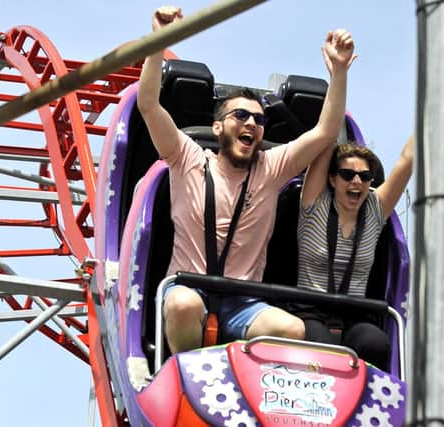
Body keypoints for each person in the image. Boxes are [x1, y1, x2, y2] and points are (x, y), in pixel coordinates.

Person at [137, 5, 357, 354]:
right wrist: (157, 41)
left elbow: (326, 132)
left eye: (259, 119)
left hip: (242, 303)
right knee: (182, 305)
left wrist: (339, 72)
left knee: (290, 327)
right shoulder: (188, 158)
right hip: (189, 290)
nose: (252, 123)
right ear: (218, 126)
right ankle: (183, 376)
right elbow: (148, 104)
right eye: (241, 115)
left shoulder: (269, 168)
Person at [295, 135, 415, 370]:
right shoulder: (313, 203)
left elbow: (408, 159)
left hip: (354, 316)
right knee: (319, 348)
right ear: (332, 179)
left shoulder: (375, 209)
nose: (356, 182)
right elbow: (326, 133)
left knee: (375, 343)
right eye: (347, 175)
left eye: (365, 176)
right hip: (309, 311)